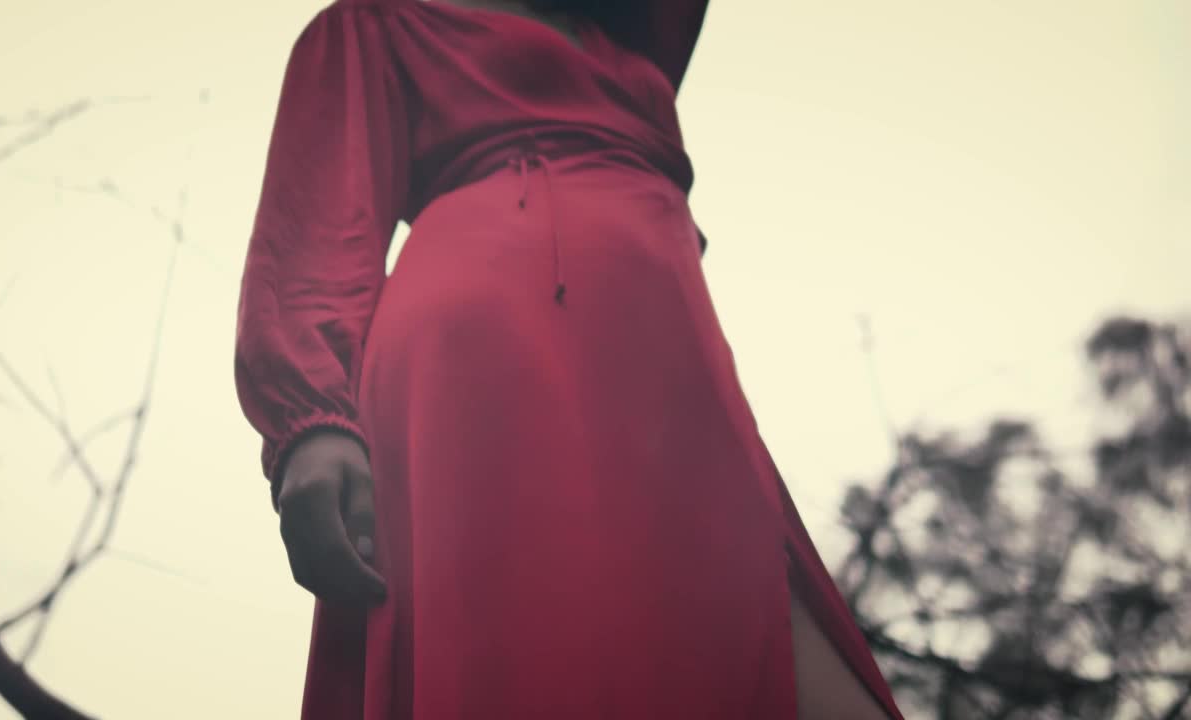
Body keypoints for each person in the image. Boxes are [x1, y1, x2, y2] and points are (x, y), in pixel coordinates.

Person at [234, 1, 905, 717]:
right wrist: (312, 423)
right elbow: (313, 229)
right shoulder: (383, 19)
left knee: (755, 623)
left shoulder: (622, 35)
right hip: (493, 341)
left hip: (672, 359)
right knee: (535, 636)